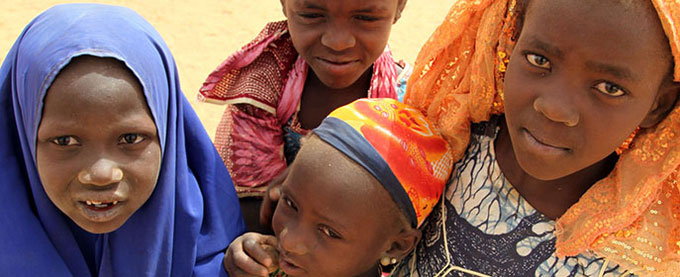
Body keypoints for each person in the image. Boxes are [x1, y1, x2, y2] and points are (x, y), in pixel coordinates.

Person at [384, 0, 680, 275]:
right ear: (510, 39)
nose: (554, 108)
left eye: (609, 88)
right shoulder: (444, 144)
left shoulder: (637, 258)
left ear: (659, 104)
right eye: (539, 59)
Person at [0, 4, 245, 276]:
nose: (101, 174)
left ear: (168, 132)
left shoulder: (223, 258)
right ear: (20, 134)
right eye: (65, 141)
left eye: (130, 138)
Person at [198, 0, 410, 231]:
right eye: (311, 15)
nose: (337, 42)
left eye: (366, 18)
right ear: (284, 3)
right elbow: (251, 209)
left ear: (399, 6)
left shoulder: (409, 106)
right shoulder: (264, 86)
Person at [222, 98, 454, 277]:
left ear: (395, 246)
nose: (290, 240)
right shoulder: (275, 265)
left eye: (329, 232)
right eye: (290, 203)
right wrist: (241, 259)